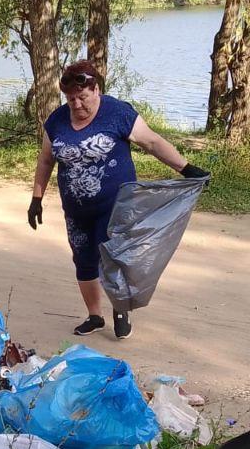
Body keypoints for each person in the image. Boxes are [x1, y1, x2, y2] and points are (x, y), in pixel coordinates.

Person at [28, 61, 206, 339]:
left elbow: (152, 142)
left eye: (82, 97)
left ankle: (121, 310)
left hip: (115, 207)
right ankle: (95, 316)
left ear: (96, 89)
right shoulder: (57, 120)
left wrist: (185, 168)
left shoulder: (118, 113)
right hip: (76, 210)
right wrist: (36, 197)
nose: (76, 104)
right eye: (71, 99)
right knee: (83, 261)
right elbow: (46, 159)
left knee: (113, 260)